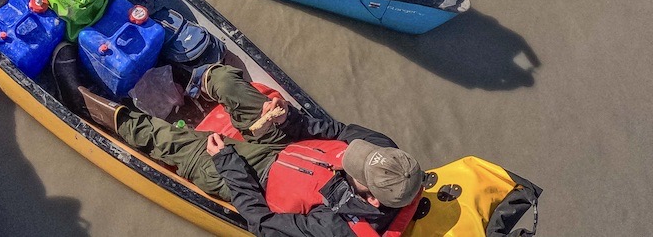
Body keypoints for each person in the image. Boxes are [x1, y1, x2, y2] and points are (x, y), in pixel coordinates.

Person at [73, 62, 422, 237]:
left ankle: (91, 107)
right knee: (226, 80)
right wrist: (286, 121)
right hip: (287, 142)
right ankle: (192, 75)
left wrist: (227, 162)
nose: (350, 157)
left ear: (372, 200)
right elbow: (334, 130)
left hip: (253, 179)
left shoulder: (337, 228)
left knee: (173, 143)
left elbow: (263, 223)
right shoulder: (385, 151)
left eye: (354, 168)